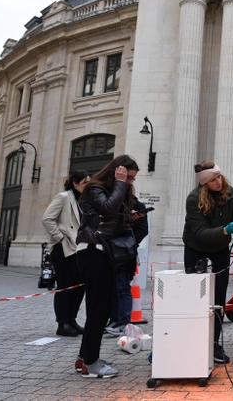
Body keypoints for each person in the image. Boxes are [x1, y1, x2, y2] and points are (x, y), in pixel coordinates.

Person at [183, 160, 233, 364]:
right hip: (196, 249)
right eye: (213, 179)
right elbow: (199, 233)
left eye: (219, 176)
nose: (219, 181)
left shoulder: (229, 192)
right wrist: (225, 230)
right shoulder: (194, 199)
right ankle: (191, 341)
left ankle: (214, 344)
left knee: (218, 300)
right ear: (205, 183)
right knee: (196, 299)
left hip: (220, 250)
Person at [74, 154, 140, 378]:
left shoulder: (114, 190)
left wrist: (130, 215)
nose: (130, 182)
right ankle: (90, 364)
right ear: (117, 172)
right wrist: (121, 185)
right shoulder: (94, 188)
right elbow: (107, 210)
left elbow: (113, 216)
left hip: (105, 253)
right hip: (94, 252)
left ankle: (85, 358)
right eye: (128, 177)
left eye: (132, 179)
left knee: (100, 309)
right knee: (99, 310)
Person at [42, 170, 90, 337]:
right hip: (64, 249)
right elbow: (47, 218)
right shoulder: (63, 197)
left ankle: (72, 320)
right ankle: (62, 323)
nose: (87, 186)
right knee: (65, 287)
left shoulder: (84, 201)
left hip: (80, 248)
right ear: (75, 183)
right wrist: (60, 238)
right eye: (85, 182)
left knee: (79, 286)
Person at [105, 197, 149, 336]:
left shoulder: (137, 205)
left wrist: (128, 243)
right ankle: (113, 320)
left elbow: (143, 230)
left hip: (126, 254)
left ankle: (122, 322)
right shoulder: (110, 204)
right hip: (109, 252)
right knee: (111, 289)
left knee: (123, 288)